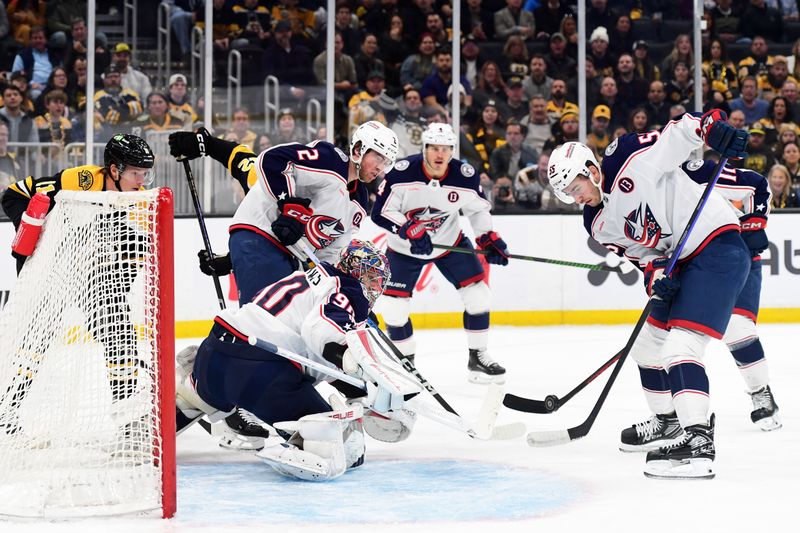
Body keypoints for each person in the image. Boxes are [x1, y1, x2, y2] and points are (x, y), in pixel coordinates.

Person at [547, 110, 777, 479]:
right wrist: (655, 276)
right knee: (645, 344)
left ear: (590, 170)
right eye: (568, 196)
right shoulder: (596, 222)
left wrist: (710, 128)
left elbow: (677, 135)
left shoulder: (626, 158)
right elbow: (642, 255)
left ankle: (699, 441)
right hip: (682, 263)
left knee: (680, 349)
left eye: (575, 189)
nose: (576, 199)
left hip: (716, 246)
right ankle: (667, 422)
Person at [174, 239, 418, 481]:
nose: (376, 287)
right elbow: (320, 331)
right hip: (257, 371)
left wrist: (362, 390)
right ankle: (306, 445)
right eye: (373, 278)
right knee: (345, 446)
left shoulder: (308, 278)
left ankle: (187, 391)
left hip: (213, 356)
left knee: (203, 392)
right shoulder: (348, 289)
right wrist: (354, 360)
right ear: (357, 271)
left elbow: (322, 359)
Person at [371, 123, 509, 383]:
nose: (439, 154)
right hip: (404, 249)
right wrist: (408, 229)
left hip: (449, 243)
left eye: (445, 149)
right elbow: (380, 212)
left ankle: (477, 358)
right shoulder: (401, 174)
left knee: (478, 297)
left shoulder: (464, 176)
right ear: (424, 148)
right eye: (434, 148)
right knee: (393, 311)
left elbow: (477, 209)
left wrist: (488, 238)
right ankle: (405, 364)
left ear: (452, 151)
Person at [1, 134, 155, 274]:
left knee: (138, 244)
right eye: (135, 173)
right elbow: (15, 194)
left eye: (145, 174)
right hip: (42, 244)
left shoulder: (138, 199)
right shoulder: (84, 181)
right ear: (114, 171)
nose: (141, 181)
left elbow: (136, 251)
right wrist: (29, 230)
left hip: (73, 250)